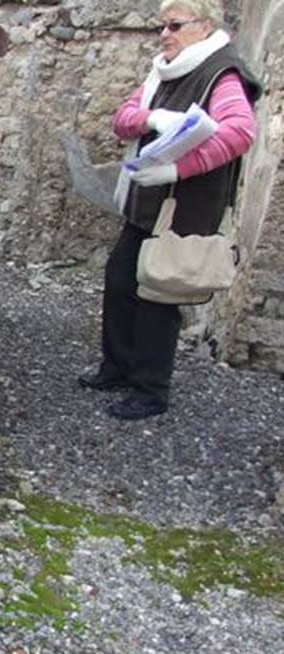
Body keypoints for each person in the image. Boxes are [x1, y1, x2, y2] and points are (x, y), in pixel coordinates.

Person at [79, 0, 262, 420]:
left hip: (181, 208)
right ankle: (118, 367)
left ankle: (150, 391)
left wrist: (178, 169)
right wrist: (153, 118)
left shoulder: (221, 72)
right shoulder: (164, 69)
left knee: (159, 294)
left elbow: (239, 132)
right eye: (162, 25)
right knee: (121, 278)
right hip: (147, 203)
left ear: (204, 26)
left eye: (175, 25)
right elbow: (123, 119)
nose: (165, 34)